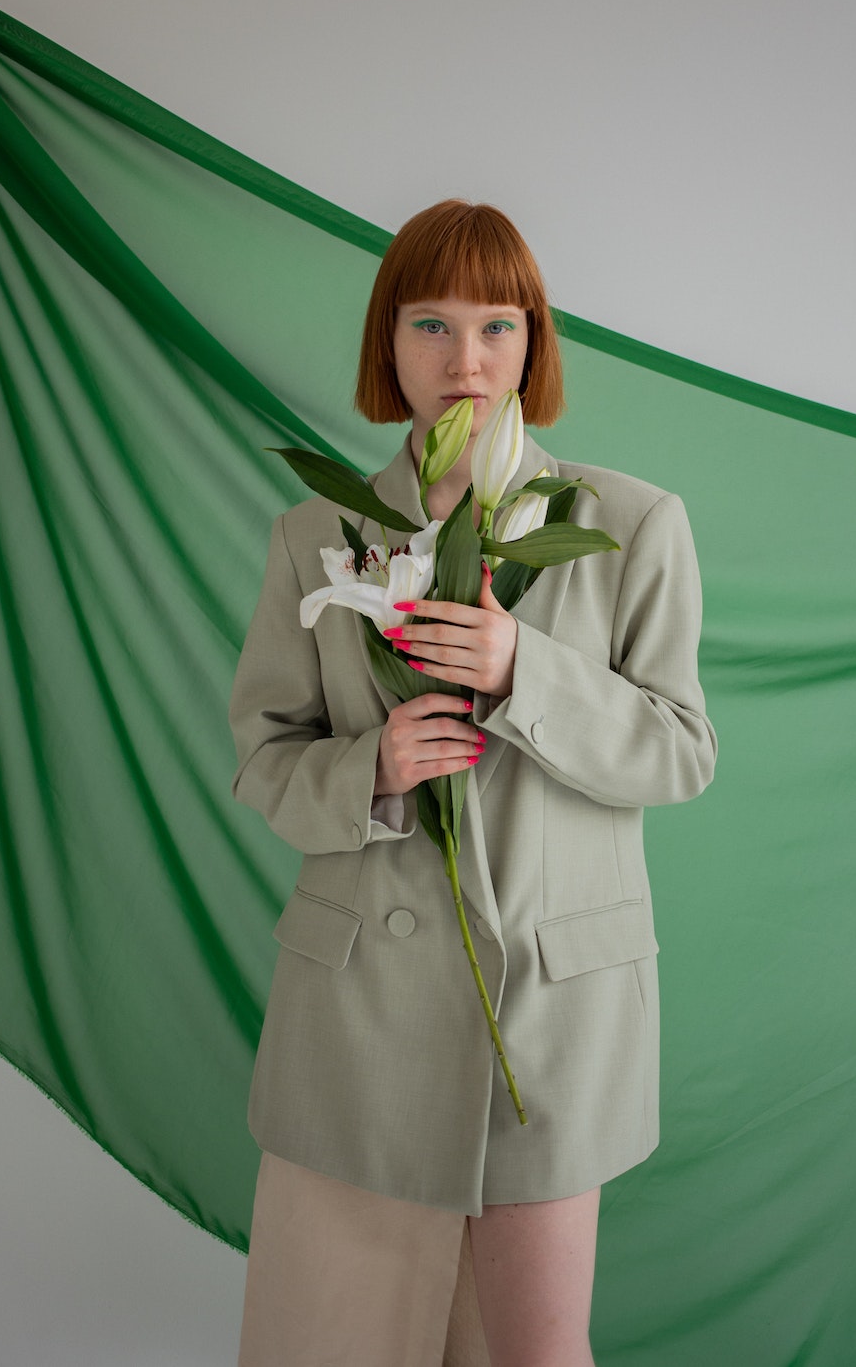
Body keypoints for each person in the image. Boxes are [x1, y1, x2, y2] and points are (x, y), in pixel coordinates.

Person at [229, 199, 717, 1367]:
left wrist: (521, 671)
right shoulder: (318, 532)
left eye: (498, 326)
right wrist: (375, 770)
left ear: (534, 343)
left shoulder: (630, 523)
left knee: (531, 1355)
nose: (466, 360)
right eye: (431, 324)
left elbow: (678, 751)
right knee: (330, 1346)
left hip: (547, 1016)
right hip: (359, 1019)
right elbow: (264, 757)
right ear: (387, 343)